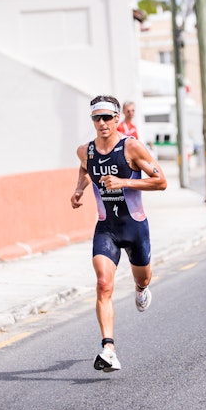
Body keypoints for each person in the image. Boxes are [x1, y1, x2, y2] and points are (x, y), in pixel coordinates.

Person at [71, 94, 167, 373]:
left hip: (134, 227)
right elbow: (85, 168)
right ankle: (109, 349)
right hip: (107, 228)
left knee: (143, 278)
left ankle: (141, 289)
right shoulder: (85, 151)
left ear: (116, 119)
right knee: (103, 284)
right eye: (96, 118)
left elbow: (161, 181)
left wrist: (123, 182)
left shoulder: (132, 147)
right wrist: (79, 189)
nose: (101, 123)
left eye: (106, 117)